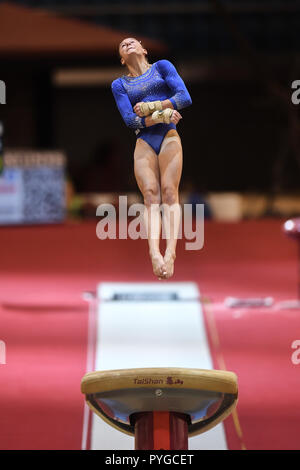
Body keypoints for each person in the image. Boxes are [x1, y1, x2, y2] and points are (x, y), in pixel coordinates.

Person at [111, 37, 192, 280]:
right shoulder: (119, 84)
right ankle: (154, 253)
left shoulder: (162, 67)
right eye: (123, 46)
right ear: (122, 59)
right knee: (150, 196)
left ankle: (170, 253)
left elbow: (184, 97)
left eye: (132, 42)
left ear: (144, 50)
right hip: (144, 140)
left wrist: (152, 106)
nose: (127, 44)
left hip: (169, 135)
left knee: (169, 192)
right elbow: (130, 120)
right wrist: (162, 114)